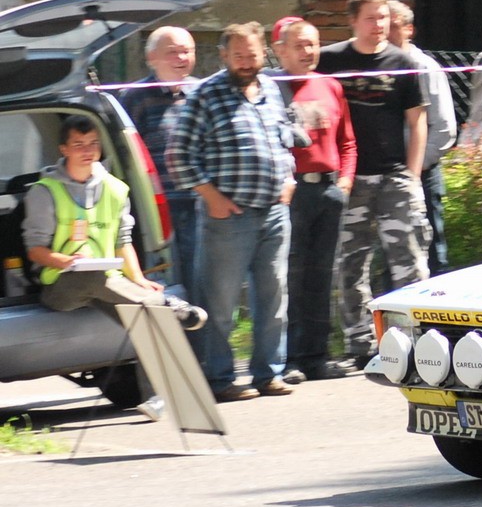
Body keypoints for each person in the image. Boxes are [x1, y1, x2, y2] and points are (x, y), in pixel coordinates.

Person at [23, 115, 208, 420]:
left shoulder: (115, 189)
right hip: (62, 286)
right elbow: (35, 250)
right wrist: (67, 261)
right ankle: (166, 304)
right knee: (106, 282)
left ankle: (157, 398)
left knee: (146, 314)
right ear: (63, 149)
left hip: (106, 281)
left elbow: (123, 241)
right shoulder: (45, 192)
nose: (87, 151)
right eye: (79, 144)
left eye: (93, 144)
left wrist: (138, 279)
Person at [167, 21, 300, 402]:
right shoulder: (205, 95)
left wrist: (288, 178)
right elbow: (179, 155)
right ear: (224, 56)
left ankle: (269, 373)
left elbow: (285, 140)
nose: (245, 62)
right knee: (220, 304)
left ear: (263, 54)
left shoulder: (272, 89)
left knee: (273, 300)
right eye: (238, 55)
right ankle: (220, 379)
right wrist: (211, 197)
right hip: (228, 218)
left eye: (252, 55)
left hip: (274, 213)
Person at [317, 0, 430, 368]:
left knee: (409, 263)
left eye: (383, 17)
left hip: (394, 177)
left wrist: (412, 175)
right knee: (351, 265)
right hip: (349, 180)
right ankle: (361, 344)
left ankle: (417, 343)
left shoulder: (403, 61)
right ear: (353, 21)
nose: (378, 24)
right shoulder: (330, 60)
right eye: (370, 17)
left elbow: (418, 122)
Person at [271, 17, 357, 384]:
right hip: (291, 194)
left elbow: (347, 141)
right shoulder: (271, 89)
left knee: (322, 276)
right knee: (291, 277)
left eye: (313, 44)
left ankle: (316, 357)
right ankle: (289, 358)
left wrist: (345, 182)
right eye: (300, 45)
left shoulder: (331, 86)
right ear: (280, 51)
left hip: (329, 192)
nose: (309, 51)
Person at [118, 26, 201, 297]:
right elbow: (126, 156)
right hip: (159, 210)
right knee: (169, 283)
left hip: (202, 203)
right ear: (151, 58)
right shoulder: (135, 97)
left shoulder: (203, 92)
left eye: (187, 51)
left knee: (203, 281)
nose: (181, 58)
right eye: (173, 52)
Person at [387, 1, 457, 274]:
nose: (386, 32)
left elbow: (444, 129)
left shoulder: (425, 68)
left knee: (432, 249)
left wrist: (415, 168)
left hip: (422, 175)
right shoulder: (377, 68)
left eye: (393, 26)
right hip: (386, 174)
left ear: (409, 29)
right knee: (391, 254)